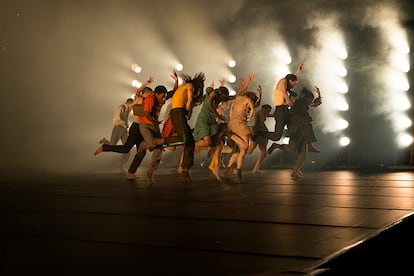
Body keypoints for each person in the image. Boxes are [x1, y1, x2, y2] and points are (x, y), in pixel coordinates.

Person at [94, 77, 154, 180]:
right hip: (136, 128)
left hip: (141, 128)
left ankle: (131, 172)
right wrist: (146, 83)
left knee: (142, 151)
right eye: (150, 94)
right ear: (145, 94)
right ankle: (104, 147)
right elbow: (138, 91)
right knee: (126, 148)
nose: (151, 97)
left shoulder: (145, 101)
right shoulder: (139, 99)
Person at [268, 86, 322, 179]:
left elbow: (315, 104)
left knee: (303, 153)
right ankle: (276, 145)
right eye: (310, 99)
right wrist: (307, 118)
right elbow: (297, 114)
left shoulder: (305, 104)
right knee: (292, 149)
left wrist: (319, 94)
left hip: (303, 130)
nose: (311, 102)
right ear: (307, 98)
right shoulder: (298, 103)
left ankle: (295, 171)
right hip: (295, 128)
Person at [163, 72, 206, 182]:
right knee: (188, 140)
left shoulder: (182, 88)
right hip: (178, 112)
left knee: (188, 140)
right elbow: (190, 99)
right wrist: (186, 111)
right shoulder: (189, 86)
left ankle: (184, 167)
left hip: (177, 113)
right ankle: (185, 167)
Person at [225, 74, 256, 183]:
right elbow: (252, 110)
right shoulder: (247, 100)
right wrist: (249, 117)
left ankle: (238, 172)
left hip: (235, 124)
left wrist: (247, 82)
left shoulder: (238, 98)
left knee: (243, 149)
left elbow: (241, 91)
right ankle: (230, 135)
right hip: (239, 125)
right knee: (244, 147)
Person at [267, 63, 304, 146]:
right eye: (294, 84)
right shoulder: (283, 81)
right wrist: (290, 102)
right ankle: (259, 134)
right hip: (280, 110)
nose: (293, 86)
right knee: (277, 136)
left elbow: (292, 77)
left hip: (285, 110)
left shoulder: (288, 81)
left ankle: (295, 143)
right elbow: (284, 92)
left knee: (294, 124)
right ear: (291, 81)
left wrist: (298, 71)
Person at [99, 98, 134, 173]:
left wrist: (126, 128)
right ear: (128, 103)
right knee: (112, 145)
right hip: (118, 128)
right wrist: (124, 124)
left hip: (124, 130)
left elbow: (126, 119)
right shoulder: (120, 107)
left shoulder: (128, 110)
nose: (132, 108)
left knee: (127, 147)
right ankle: (104, 141)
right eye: (131, 106)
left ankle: (121, 165)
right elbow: (116, 120)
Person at [251, 104, 273, 173]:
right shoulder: (260, 112)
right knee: (249, 150)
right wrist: (265, 131)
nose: (269, 112)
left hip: (259, 133)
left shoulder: (262, 112)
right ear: (265, 109)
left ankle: (255, 169)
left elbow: (270, 115)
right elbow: (261, 122)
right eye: (268, 111)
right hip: (259, 133)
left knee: (263, 153)